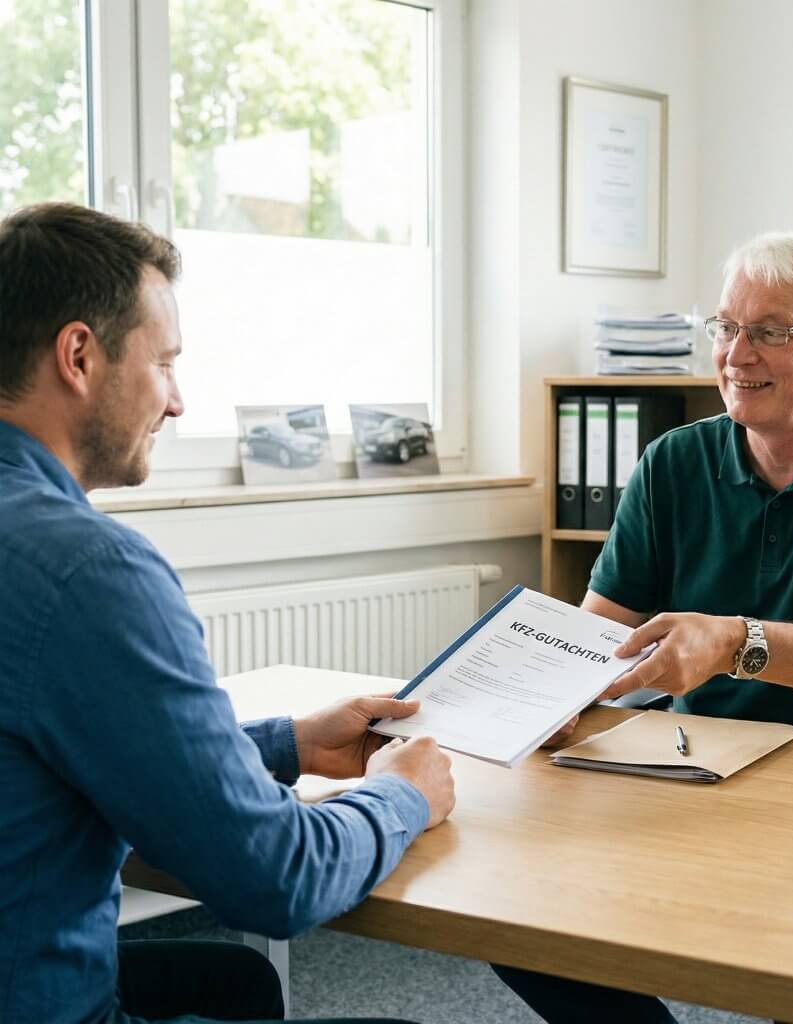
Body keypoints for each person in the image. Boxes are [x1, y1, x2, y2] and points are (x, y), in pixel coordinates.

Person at [492, 231, 793, 1024]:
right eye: (725, 327)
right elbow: (598, 635)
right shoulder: (673, 463)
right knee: (518, 916)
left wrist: (733, 642)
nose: (736, 354)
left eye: (771, 332)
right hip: (699, 775)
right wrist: (541, 692)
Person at [0, 203, 456, 1024]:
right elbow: (278, 880)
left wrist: (287, 744)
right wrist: (402, 795)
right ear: (79, 355)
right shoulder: (86, 570)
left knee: (234, 983)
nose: (176, 402)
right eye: (165, 363)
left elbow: (60, 757)